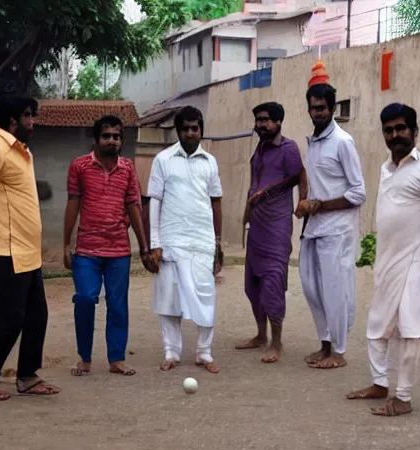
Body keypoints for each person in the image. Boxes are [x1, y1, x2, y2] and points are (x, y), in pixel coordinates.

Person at [347, 103, 420, 416]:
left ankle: (403, 397)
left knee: (410, 329)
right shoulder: (384, 169)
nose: (395, 135)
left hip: (415, 265)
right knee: (377, 325)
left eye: (401, 128)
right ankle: (379, 383)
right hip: (386, 263)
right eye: (389, 130)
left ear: (414, 131)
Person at [0, 95, 60, 401]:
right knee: (9, 318)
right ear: (12, 120)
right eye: (28, 116)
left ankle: (27, 377)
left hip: (25, 252)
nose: (32, 122)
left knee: (36, 316)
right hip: (2, 252)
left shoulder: (20, 152)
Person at [64, 115, 152, 377]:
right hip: (87, 250)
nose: (112, 140)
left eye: (116, 136)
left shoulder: (127, 168)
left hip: (119, 252)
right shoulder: (79, 167)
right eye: (106, 135)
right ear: (96, 139)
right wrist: (66, 243)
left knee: (117, 303)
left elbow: (134, 207)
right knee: (85, 298)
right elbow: (72, 204)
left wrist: (144, 246)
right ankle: (85, 358)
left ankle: (116, 359)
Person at [297, 61, 366, 369]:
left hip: (337, 228)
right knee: (312, 287)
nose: (318, 113)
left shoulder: (343, 142)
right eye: (313, 108)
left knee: (335, 289)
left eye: (323, 108)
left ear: (333, 108)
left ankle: (338, 351)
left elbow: (358, 193)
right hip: (313, 227)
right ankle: (324, 344)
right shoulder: (313, 142)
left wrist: (320, 205)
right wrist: (308, 204)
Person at [148, 106, 223, 373]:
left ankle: (204, 352)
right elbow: (154, 202)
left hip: (201, 241)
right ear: (178, 131)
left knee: (206, 296)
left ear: (201, 130)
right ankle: (172, 352)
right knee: (169, 299)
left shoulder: (210, 162)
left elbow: (215, 202)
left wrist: (218, 242)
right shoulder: (163, 159)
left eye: (195, 128)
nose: (191, 133)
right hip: (171, 241)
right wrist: (154, 242)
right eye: (185, 129)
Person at [235, 102, 306, 364]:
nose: (260, 125)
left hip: (277, 227)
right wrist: (245, 219)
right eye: (258, 120)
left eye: (265, 120)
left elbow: (300, 177)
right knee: (252, 286)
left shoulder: (288, 148)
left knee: (272, 282)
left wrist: (301, 202)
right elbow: (253, 185)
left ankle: (277, 342)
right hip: (257, 227)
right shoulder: (260, 149)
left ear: (278, 122)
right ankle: (260, 335)